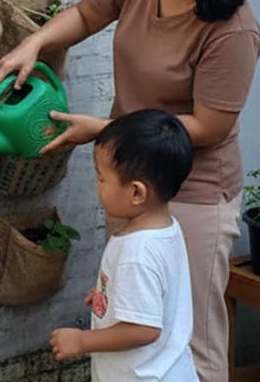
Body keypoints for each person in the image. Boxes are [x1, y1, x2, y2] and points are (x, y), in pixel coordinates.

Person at [0, 0, 260, 382]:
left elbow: (209, 126)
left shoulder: (232, 29)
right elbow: (88, 14)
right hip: (131, 172)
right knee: (130, 320)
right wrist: (35, 43)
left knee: (192, 340)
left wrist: (107, 128)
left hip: (194, 193)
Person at [50, 109, 197, 381]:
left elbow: (143, 329)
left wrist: (82, 341)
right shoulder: (166, 229)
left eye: (102, 177)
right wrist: (111, 292)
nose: (97, 185)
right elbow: (157, 294)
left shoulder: (137, 253)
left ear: (136, 192)